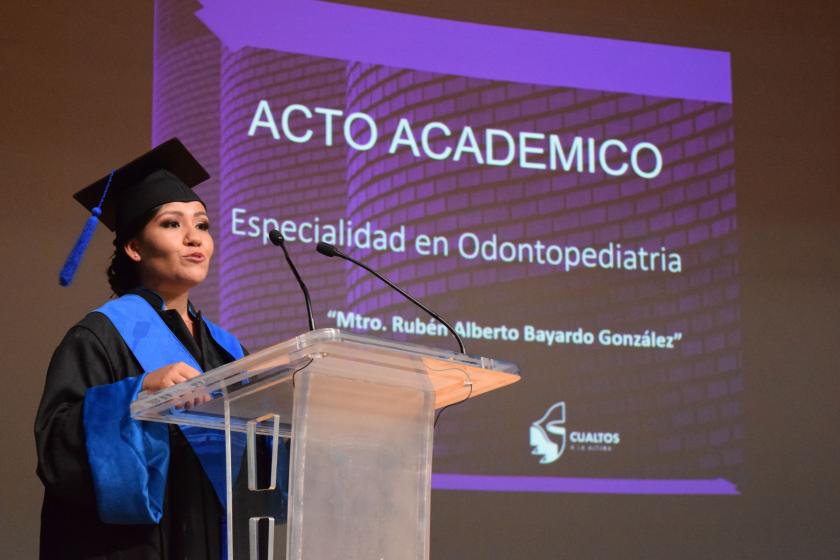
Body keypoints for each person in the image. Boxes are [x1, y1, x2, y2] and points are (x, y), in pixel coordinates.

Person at [34, 139, 285, 559]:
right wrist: (136, 394)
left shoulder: (227, 348)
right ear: (134, 247)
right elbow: (57, 447)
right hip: (135, 546)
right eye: (172, 224)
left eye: (202, 225)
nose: (194, 238)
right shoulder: (101, 336)